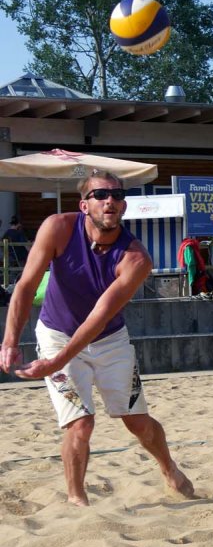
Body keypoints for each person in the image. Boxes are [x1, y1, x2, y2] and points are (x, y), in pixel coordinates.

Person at [0, 169, 195, 506]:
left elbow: (98, 317)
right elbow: (26, 285)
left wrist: (55, 364)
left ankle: (168, 468)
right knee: (81, 423)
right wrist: (10, 342)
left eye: (118, 196)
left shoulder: (136, 258)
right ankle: (77, 500)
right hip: (56, 334)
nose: (110, 201)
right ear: (84, 205)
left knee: (137, 423)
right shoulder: (57, 227)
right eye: (101, 195)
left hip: (109, 340)